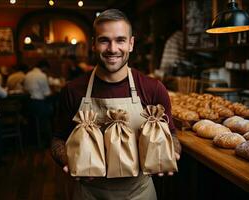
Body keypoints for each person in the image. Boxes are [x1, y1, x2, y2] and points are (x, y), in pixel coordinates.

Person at [51, 9, 180, 199]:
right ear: (93, 44)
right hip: (89, 193)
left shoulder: (153, 89)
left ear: (131, 43)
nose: (112, 49)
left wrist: (171, 152)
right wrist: (68, 160)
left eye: (120, 40)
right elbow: (57, 139)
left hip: (140, 193)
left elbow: (172, 134)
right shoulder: (73, 90)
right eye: (104, 40)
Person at [24, 60, 53, 147]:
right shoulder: (42, 75)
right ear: (44, 67)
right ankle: (48, 139)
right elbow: (47, 93)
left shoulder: (28, 74)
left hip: (28, 104)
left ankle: (36, 138)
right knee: (51, 111)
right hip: (38, 104)